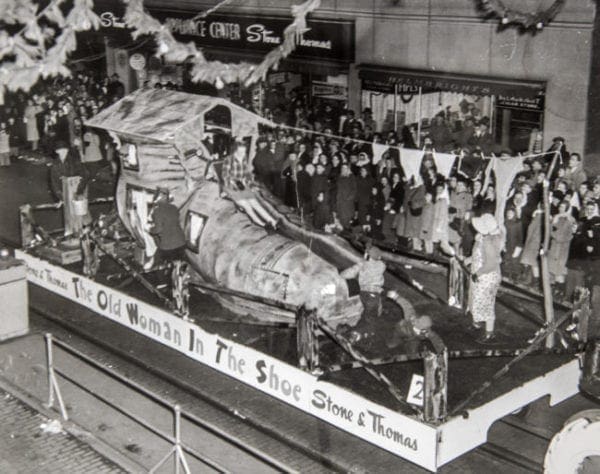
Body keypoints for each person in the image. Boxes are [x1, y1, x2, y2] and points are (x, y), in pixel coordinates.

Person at [221, 141, 278, 229]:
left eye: (244, 152)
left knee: (255, 203)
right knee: (247, 205)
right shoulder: (228, 160)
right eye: (240, 152)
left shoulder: (243, 159)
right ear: (235, 151)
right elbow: (225, 176)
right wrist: (234, 183)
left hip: (242, 185)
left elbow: (247, 175)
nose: (242, 154)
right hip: (232, 187)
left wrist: (251, 186)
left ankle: (272, 222)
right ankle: (261, 224)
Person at [467, 213, 504, 343]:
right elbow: (477, 256)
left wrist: (478, 273)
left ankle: (489, 333)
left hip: (487, 276)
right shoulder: (483, 238)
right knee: (476, 299)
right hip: (480, 274)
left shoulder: (488, 242)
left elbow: (491, 264)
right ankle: (477, 323)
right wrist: (466, 260)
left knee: (487, 303)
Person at [340, 245, 386, 320]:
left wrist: (342, 274)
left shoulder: (363, 264)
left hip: (365, 293)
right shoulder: (382, 265)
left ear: (367, 255)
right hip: (375, 293)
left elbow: (347, 274)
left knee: (369, 315)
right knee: (373, 313)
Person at [148, 188, 186, 263]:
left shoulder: (157, 211)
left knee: (164, 263)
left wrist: (150, 230)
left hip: (168, 247)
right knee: (177, 263)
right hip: (181, 243)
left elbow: (158, 230)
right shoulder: (174, 207)